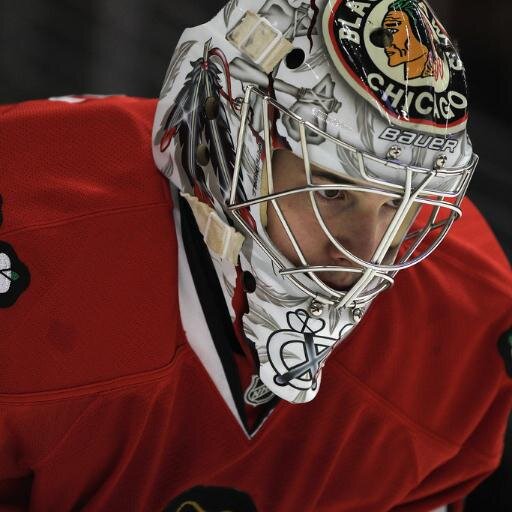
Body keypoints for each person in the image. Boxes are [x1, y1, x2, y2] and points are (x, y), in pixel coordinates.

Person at [0, 0, 510, 510]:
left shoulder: (466, 321)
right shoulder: (33, 221)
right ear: (225, 136)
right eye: (334, 192)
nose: (366, 252)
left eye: (400, 204)